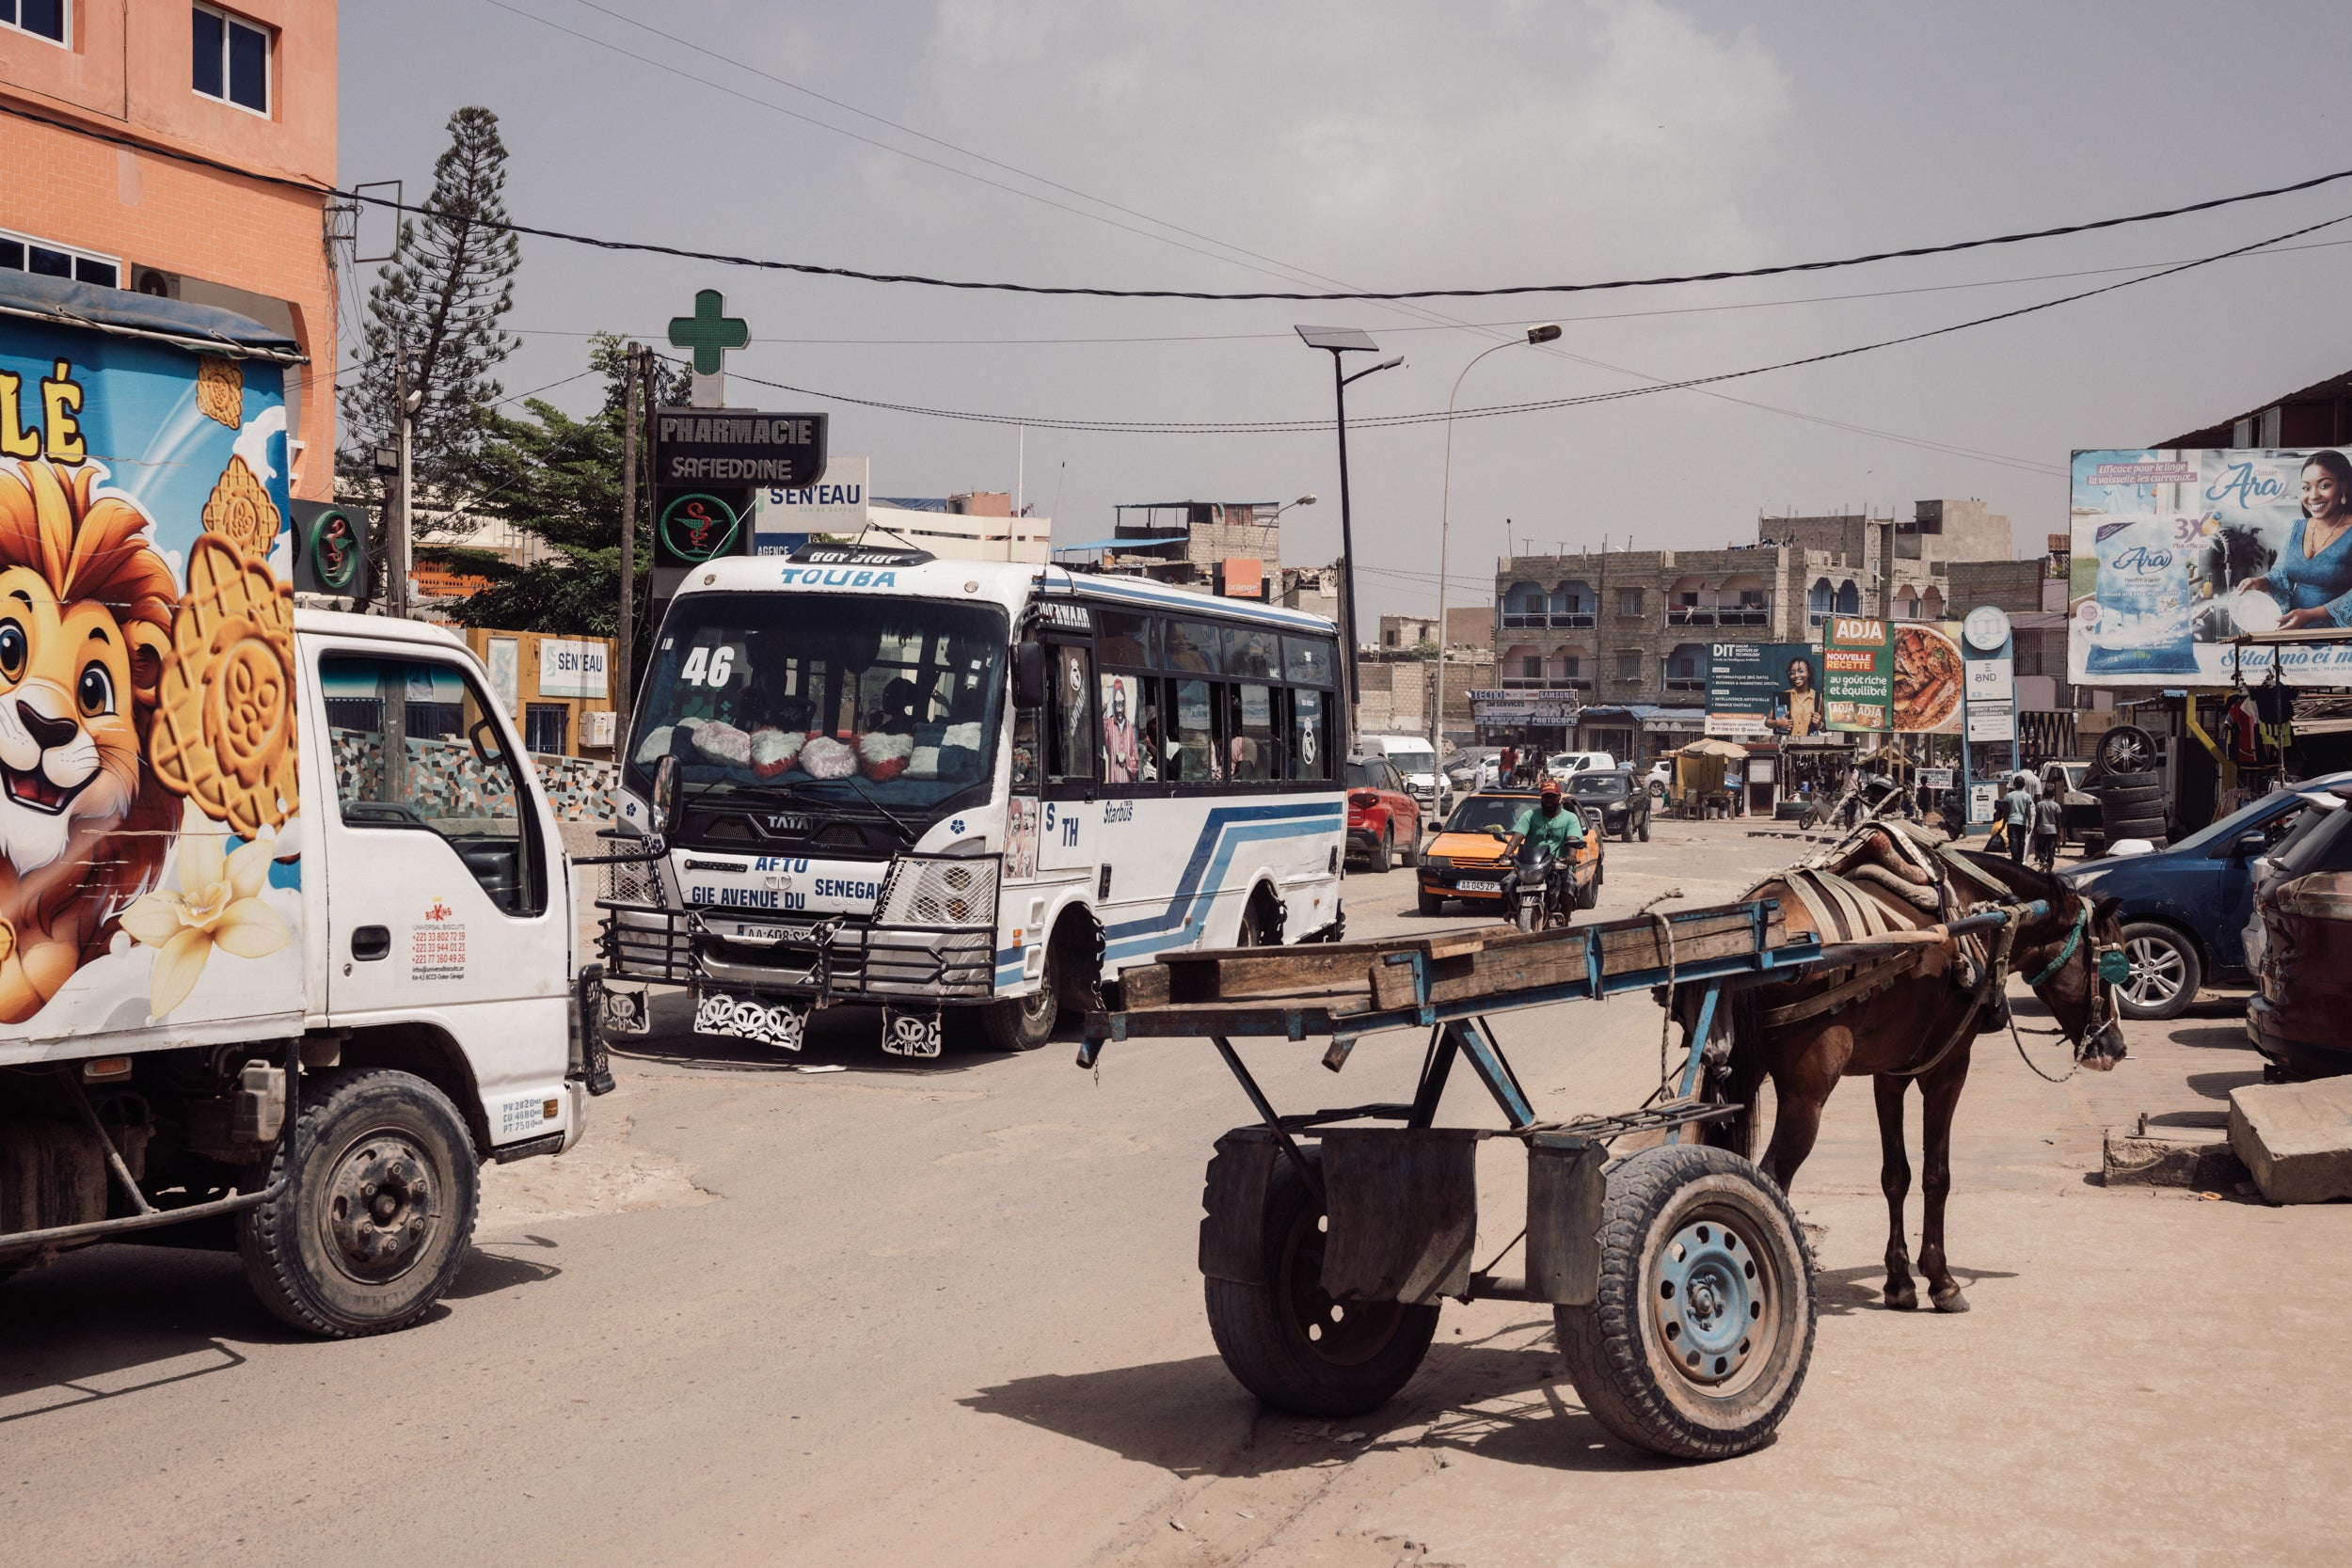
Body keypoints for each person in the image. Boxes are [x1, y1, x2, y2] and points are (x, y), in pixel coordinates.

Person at [2244, 450, 2352, 630]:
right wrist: (2262, 582)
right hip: (2293, 629)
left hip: (2339, 637)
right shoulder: (2296, 528)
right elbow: (2280, 573)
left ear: (2344, 486)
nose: (2313, 496)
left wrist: (2311, 615)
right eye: (2306, 488)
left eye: (2324, 486)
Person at [1767, 656, 1822, 739]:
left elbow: (1825, 728)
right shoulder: (1784, 696)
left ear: (1809, 673)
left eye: (1801, 671)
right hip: (1788, 746)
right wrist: (1778, 722)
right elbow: (1767, 722)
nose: (1796, 675)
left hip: (1809, 745)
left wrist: (1819, 725)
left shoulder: (1819, 698)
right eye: (1792, 672)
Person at [1101, 675, 1138, 784]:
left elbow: (1136, 758)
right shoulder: (1108, 724)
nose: (1119, 708)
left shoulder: (1130, 727)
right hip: (1112, 783)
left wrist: (1126, 759)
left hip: (1127, 786)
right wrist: (1104, 707)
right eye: (1117, 704)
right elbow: (1100, 736)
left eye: (1121, 704)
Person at [2001, 773, 2036, 865]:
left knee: (2013, 841)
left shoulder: (2009, 796)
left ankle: (2015, 860)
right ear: (2024, 785)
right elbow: (2028, 811)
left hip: (2011, 822)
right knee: (2021, 841)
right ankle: (2020, 860)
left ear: (2014, 784)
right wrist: (2029, 824)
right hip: (2022, 822)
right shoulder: (2027, 796)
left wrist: (2003, 824)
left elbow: (2006, 812)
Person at [2031, 786, 2064, 873]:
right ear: (2053, 795)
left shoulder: (2039, 805)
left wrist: (2035, 829)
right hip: (2053, 831)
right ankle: (2049, 866)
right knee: (2051, 850)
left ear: (2044, 794)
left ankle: (2043, 862)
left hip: (2042, 831)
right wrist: (2059, 832)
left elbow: (2037, 819)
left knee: (2040, 849)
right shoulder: (2056, 806)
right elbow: (2058, 821)